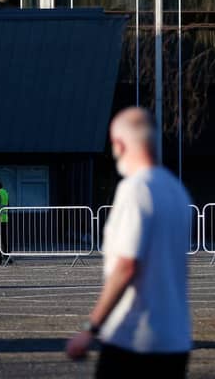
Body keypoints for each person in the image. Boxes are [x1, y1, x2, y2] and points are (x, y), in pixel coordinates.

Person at [66, 107, 192, 378]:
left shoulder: (135, 189)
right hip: (176, 340)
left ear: (120, 144)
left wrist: (91, 327)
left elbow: (127, 265)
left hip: (134, 338)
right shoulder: (177, 190)